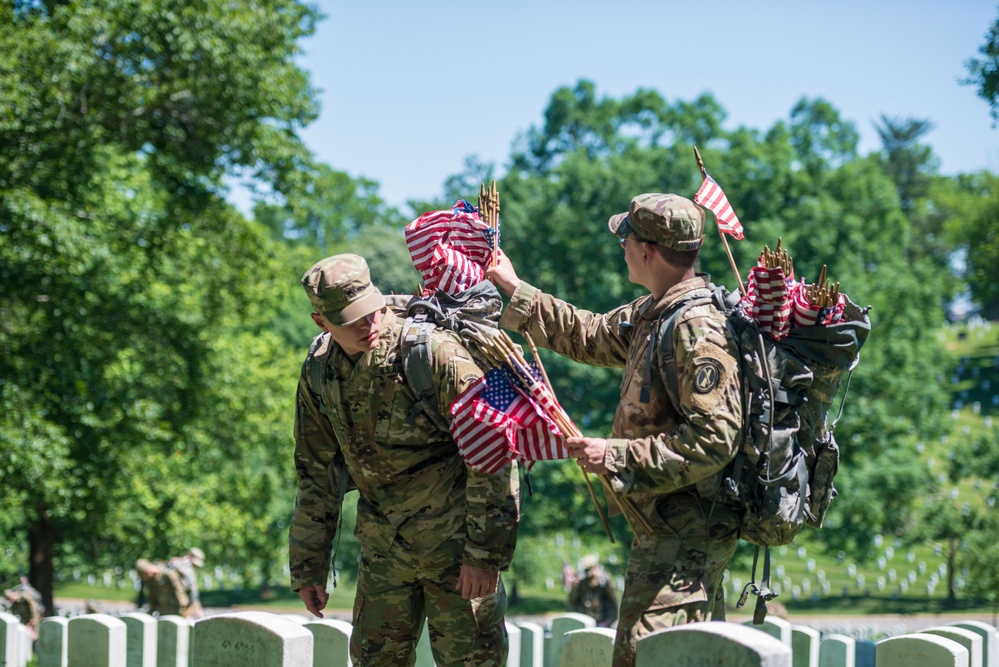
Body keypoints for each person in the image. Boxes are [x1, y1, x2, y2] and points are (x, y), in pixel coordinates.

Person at [487, 193, 743, 667]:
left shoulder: (695, 327)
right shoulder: (656, 313)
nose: (621, 245)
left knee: (641, 657)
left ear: (647, 251)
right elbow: (588, 333)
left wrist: (616, 456)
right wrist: (513, 286)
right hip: (665, 529)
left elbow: (717, 440)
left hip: (687, 534)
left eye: (626, 237)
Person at [289, 253, 520, 666]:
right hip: (384, 550)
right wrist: (309, 567)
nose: (368, 324)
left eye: (371, 311)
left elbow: (495, 453)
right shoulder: (320, 372)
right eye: (351, 319)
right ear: (321, 322)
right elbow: (315, 471)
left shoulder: (432, 354)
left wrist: (485, 556)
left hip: (457, 546)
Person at [568, 554, 618, 627]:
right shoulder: (580, 584)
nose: (589, 575)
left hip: (602, 621)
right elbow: (572, 603)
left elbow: (613, 604)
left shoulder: (604, 582)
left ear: (595, 568)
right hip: (583, 620)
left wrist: (607, 621)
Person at [168, 547, 205, 619]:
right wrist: (196, 605)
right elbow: (192, 589)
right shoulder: (187, 568)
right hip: (182, 602)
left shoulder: (174, 563)